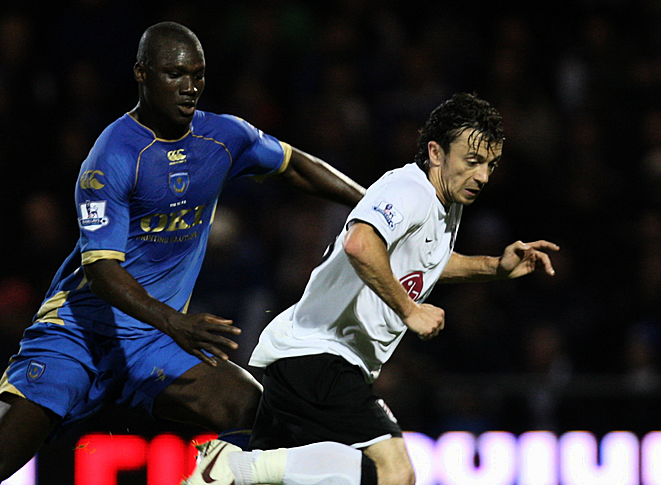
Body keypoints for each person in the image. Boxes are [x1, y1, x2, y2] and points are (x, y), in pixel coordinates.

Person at [0, 21, 365, 485]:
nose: (190, 87)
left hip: (153, 343)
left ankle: (214, 473)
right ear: (142, 74)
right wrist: (176, 322)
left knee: (262, 417)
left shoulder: (224, 138)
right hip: (78, 338)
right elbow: (103, 273)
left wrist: (374, 206)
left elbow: (295, 166)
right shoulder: (112, 156)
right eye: (175, 74)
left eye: (198, 74)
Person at [183, 93, 558, 485]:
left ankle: (234, 466)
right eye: (473, 160)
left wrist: (495, 267)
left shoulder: (444, 204)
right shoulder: (409, 189)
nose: (482, 175)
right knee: (395, 472)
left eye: (491, 165)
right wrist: (409, 310)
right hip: (320, 355)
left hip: (306, 356)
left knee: (349, 474)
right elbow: (360, 243)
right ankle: (236, 467)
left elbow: (425, 261)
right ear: (435, 152)